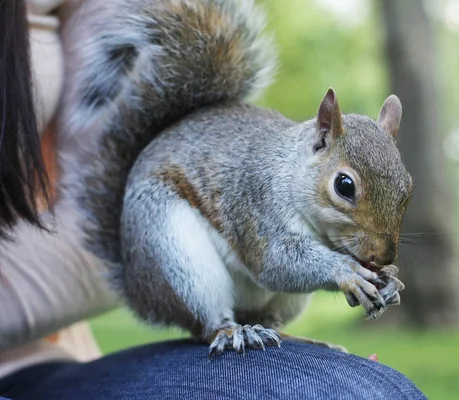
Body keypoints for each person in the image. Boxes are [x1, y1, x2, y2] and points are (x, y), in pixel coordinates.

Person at [0, 0, 427, 398]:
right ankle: (216, 324)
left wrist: (364, 280)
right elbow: (273, 263)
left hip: (44, 355)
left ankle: (266, 323)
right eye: (346, 190)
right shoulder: (277, 180)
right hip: (177, 208)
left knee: (373, 391)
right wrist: (342, 270)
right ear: (321, 135)